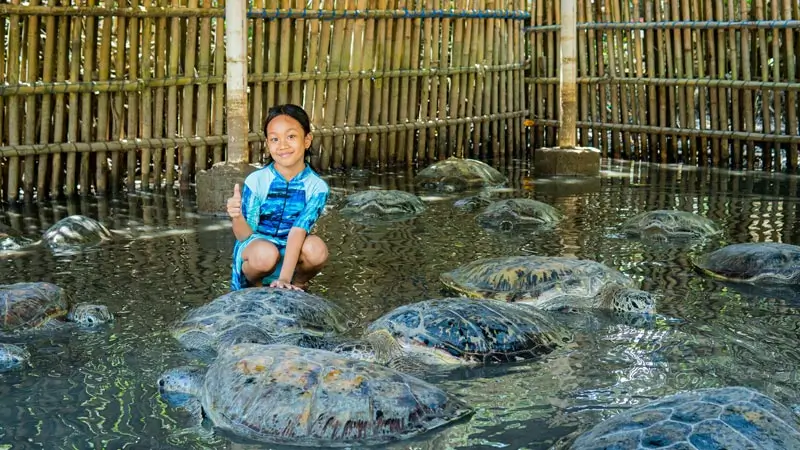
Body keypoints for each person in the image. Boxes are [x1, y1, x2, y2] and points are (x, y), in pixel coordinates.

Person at [226, 104, 329, 291]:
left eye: (291, 136)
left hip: (291, 254)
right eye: (275, 139)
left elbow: (298, 230)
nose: (283, 145)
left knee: (317, 249)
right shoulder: (256, 180)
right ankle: (254, 285)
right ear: (267, 144)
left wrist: (285, 279)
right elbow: (245, 235)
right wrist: (236, 216)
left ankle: (298, 283)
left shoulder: (317, 187)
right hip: (258, 253)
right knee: (266, 254)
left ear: (307, 140)